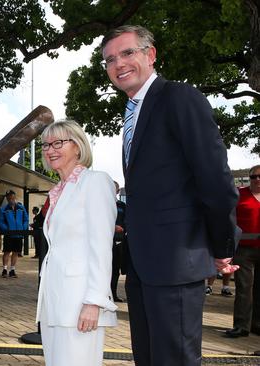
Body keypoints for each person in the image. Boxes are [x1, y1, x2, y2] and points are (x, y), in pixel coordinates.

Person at [101, 25, 239, 365]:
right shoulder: (132, 111)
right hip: (142, 264)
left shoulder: (178, 97)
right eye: (109, 59)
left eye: (127, 53)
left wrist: (221, 246)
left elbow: (215, 179)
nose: (118, 64)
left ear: (151, 54)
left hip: (176, 263)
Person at [34, 120, 118, 366]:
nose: (50, 149)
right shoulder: (58, 190)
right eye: (46, 145)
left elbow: (101, 247)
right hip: (54, 300)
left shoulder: (96, 182)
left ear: (78, 147)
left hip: (80, 302)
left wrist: (94, 302)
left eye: (58, 143)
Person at [224, 165, 260, 338]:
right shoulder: (240, 194)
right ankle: (241, 325)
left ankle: (256, 324)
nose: (257, 179)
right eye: (254, 177)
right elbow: (229, 218)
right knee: (244, 287)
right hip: (244, 249)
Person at [0, 190, 28, 278]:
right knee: (6, 252)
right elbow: (0, 221)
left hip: (18, 234)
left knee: (15, 252)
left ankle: (12, 270)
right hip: (9, 234)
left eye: (12, 197)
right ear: (7, 199)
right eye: (9, 198)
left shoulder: (21, 208)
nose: (11, 199)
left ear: (15, 197)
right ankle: (4, 270)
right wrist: (6, 229)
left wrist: (23, 227)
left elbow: (26, 219)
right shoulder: (4, 209)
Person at [112, 181, 126, 302]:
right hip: (105, 242)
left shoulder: (122, 205)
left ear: (117, 191)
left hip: (119, 241)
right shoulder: (101, 204)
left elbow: (127, 220)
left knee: (116, 270)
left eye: (114, 188)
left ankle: (113, 294)